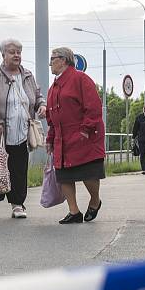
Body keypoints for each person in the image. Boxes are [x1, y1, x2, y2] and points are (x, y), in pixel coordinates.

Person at [0, 39, 46, 220]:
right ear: (3, 55)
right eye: (12, 52)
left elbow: (37, 96)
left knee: (18, 169)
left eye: (19, 52)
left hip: (20, 133)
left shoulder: (27, 76)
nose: (17, 56)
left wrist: (41, 106)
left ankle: (17, 204)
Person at [46, 47, 106, 224]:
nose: (50, 63)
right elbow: (52, 117)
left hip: (82, 136)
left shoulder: (81, 79)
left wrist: (85, 130)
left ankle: (95, 200)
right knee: (64, 174)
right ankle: (74, 211)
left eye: (52, 59)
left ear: (63, 60)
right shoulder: (54, 87)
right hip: (62, 138)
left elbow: (93, 107)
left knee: (88, 172)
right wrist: (50, 138)